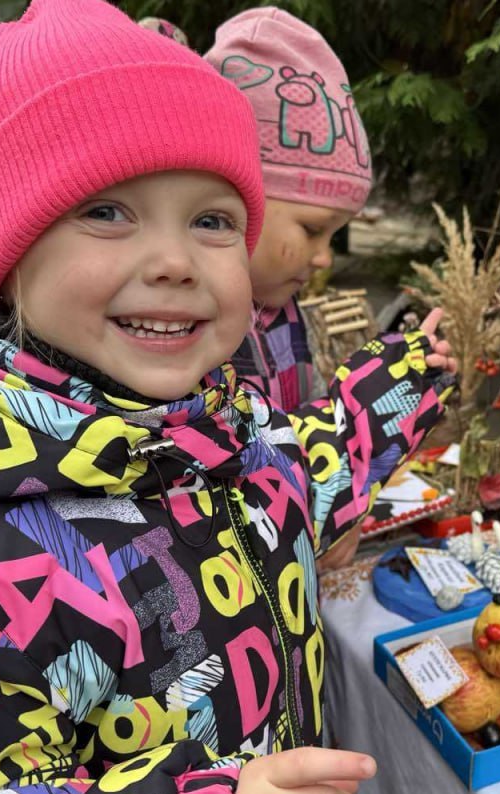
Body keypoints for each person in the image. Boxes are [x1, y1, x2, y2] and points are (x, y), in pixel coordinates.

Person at [0, 1, 455, 794]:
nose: (177, 261)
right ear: (6, 257)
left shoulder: (234, 442)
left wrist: (411, 375)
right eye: (107, 212)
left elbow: (320, 464)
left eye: (213, 220)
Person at [205, 8, 377, 571]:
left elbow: (294, 431)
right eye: (311, 229)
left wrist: (330, 505)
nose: (325, 256)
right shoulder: (191, 332)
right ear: (241, 192)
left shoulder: (279, 309)